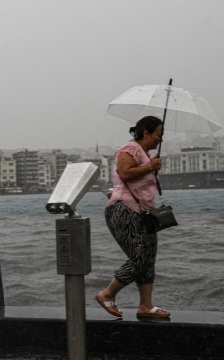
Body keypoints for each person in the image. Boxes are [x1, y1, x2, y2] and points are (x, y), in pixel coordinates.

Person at [95, 115, 171, 319]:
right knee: (140, 257)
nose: (160, 140)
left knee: (148, 258)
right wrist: (150, 167)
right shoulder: (131, 149)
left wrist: (149, 165)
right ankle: (107, 293)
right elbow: (125, 172)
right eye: (158, 135)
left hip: (143, 213)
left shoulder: (144, 154)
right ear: (146, 133)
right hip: (125, 209)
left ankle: (146, 306)